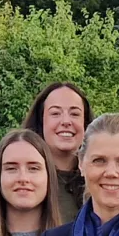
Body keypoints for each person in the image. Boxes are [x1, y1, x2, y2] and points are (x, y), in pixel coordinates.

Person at [24, 79, 92, 220]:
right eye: (55, 113)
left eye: (75, 114)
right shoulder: (24, 180)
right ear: (41, 121)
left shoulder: (98, 179)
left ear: (86, 124)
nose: (66, 121)